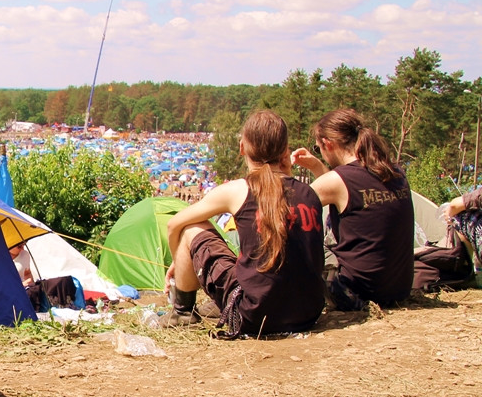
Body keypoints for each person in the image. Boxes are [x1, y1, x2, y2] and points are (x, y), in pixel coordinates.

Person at [162, 110, 325, 336]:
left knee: (192, 228)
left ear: (242, 147)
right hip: (308, 314)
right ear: (285, 151)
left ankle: (182, 312)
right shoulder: (309, 193)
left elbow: (174, 225)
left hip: (253, 316)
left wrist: (180, 264)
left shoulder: (238, 190)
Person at [290, 108, 414, 310]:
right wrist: (317, 167)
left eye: (318, 147)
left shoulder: (340, 180)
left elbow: (288, 209)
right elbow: (344, 192)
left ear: (328, 144)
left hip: (354, 293)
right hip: (398, 289)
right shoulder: (395, 171)